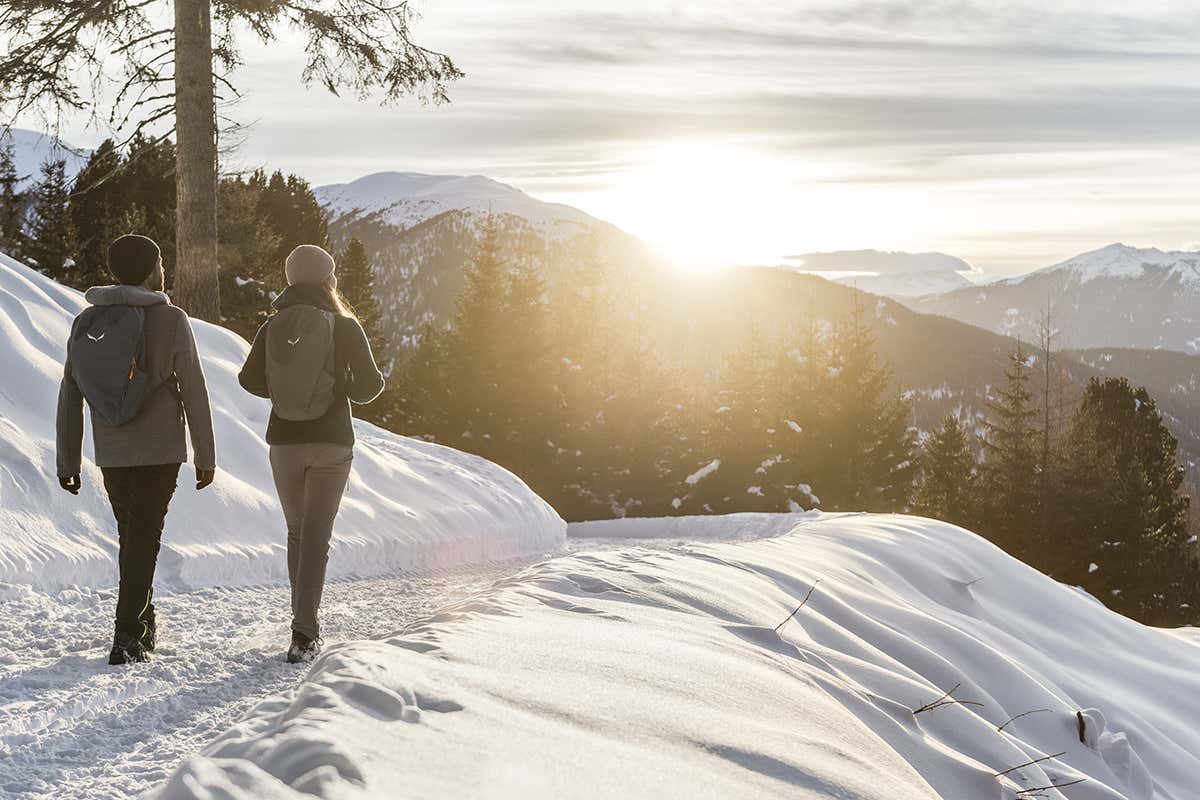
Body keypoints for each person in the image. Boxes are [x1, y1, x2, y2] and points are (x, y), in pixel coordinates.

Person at [56, 234, 217, 665]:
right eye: (160, 261)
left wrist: (68, 460)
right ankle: (127, 632)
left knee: (134, 536)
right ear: (151, 269)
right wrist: (205, 454)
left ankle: (141, 624)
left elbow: (70, 393)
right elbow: (195, 390)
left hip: (111, 450)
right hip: (160, 449)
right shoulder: (171, 319)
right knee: (143, 538)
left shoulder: (88, 321)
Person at [238, 244, 384, 663]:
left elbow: (249, 379)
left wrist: (283, 392)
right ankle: (304, 633)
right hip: (332, 441)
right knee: (317, 535)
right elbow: (370, 388)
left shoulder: (272, 326)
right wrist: (341, 388)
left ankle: (301, 622)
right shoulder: (344, 326)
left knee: (298, 532)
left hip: (283, 442)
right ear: (328, 279)